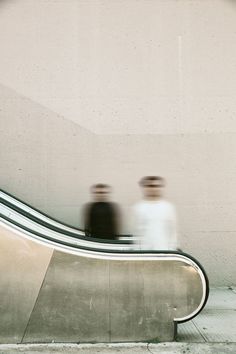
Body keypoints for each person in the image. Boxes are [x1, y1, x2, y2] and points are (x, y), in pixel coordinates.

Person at [132, 176, 178, 250]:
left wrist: (172, 250)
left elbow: (172, 232)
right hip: (144, 251)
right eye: (150, 186)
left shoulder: (168, 207)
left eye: (157, 186)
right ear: (144, 188)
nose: (153, 189)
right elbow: (136, 233)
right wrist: (137, 250)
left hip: (164, 250)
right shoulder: (138, 207)